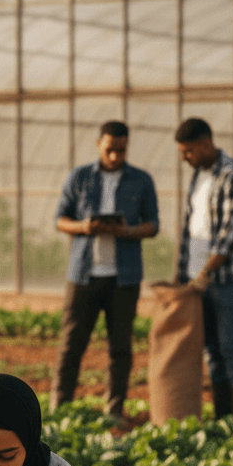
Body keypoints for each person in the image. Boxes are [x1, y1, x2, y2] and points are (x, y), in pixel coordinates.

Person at [50, 120, 159, 423]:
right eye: (110, 150)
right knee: (72, 344)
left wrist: (127, 231)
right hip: (83, 274)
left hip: (123, 278)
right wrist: (85, 226)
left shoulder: (141, 180)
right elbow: (60, 219)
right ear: (99, 144)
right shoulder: (80, 177)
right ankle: (60, 408)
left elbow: (153, 225)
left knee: (120, 347)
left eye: (121, 151)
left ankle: (114, 410)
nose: (115, 156)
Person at [175, 117, 233, 419]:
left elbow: (229, 236)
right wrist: (182, 275)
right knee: (212, 352)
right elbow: (190, 229)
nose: (185, 157)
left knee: (231, 346)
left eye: (188, 151)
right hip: (197, 279)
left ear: (206, 143)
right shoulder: (198, 176)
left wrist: (204, 274)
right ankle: (223, 419)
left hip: (226, 278)